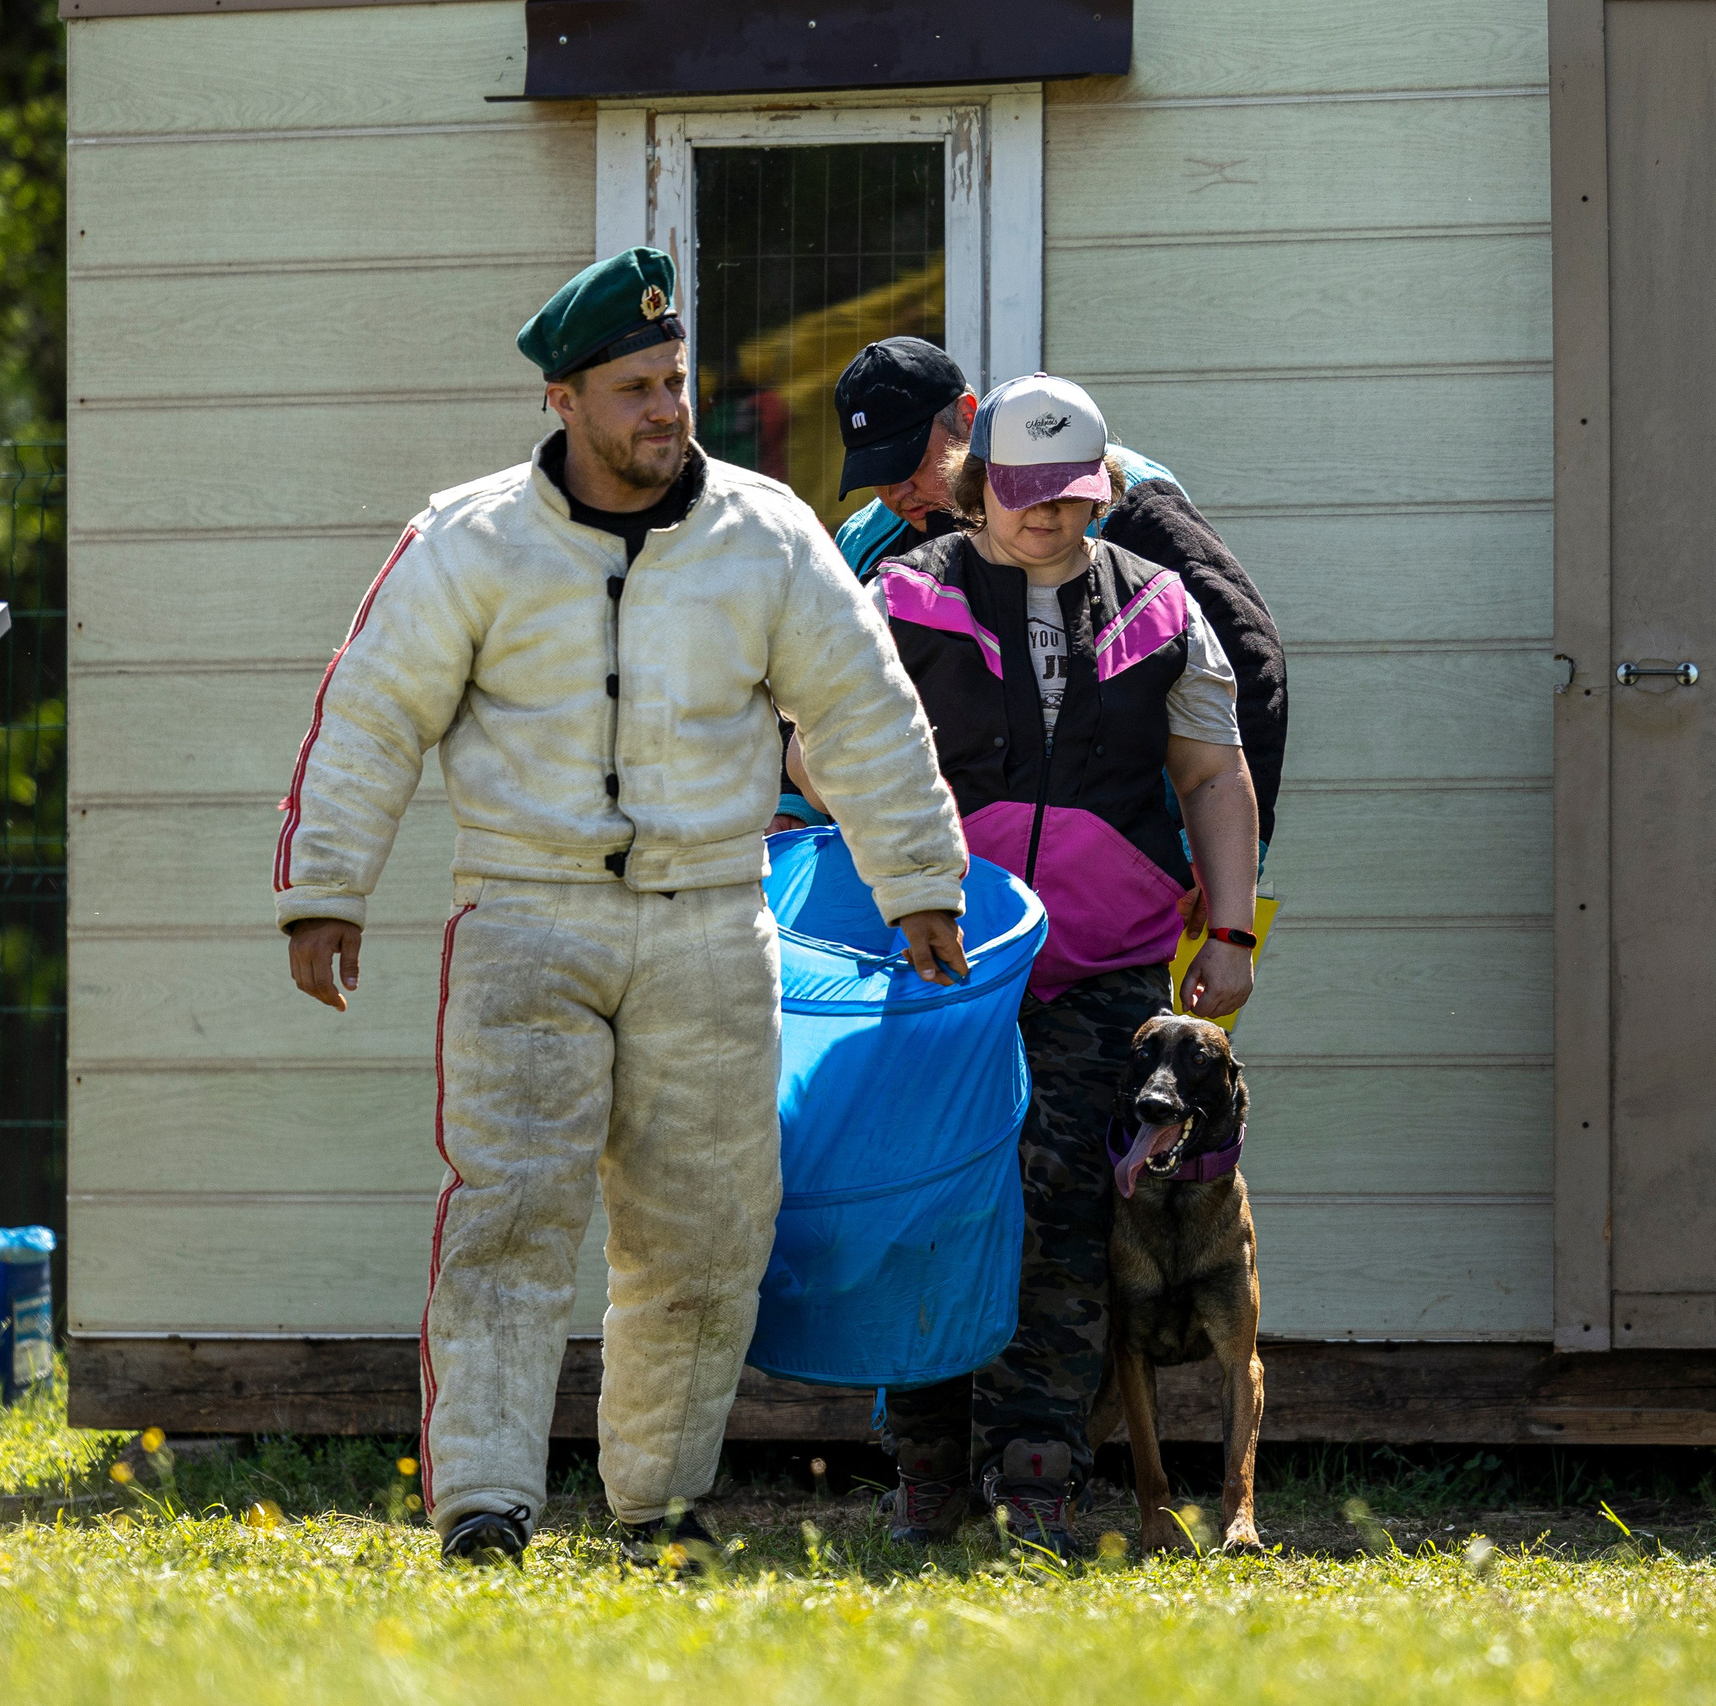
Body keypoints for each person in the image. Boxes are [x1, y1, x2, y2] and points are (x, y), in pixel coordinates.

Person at [274, 248, 971, 1571]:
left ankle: (659, 1499)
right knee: (510, 1215)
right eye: (638, 388)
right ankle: (484, 1498)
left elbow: (863, 709)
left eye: (677, 380)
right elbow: (373, 708)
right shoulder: (468, 540)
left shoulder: (769, 534)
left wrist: (919, 879)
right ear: (566, 400)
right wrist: (326, 887)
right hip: (523, 916)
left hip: (714, 916)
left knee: (708, 1230)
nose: (669, 408)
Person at [788, 373, 1263, 1561]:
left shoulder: (1159, 603)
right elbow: (810, 747)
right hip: (932, 948)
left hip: (1103, 958)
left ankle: (1040, 1457)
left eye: (1070, 497)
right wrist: (905, 870)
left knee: (1061, 1193)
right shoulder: (900, 591)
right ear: (974, 481)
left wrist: (1235, 931)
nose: (1047, 519)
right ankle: (926, 1459)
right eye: (1023, 496)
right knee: (931, 1189)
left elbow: (1212, 771)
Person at [781, 339, 1289, 881]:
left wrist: (1208, 865)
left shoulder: (1122, 501)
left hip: (1128, 881)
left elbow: (1246, 656)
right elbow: (821, 698)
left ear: (967, 418)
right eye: (875, 472)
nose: (897, 491)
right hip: (942, 884)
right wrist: (794, 810)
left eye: (912, 461)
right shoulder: (872, 545)